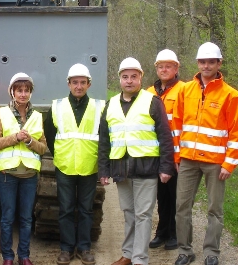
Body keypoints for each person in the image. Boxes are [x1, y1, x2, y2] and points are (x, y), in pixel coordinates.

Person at [98, 57, 175, 265]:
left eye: (133, 76)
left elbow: (165, 137)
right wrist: (103, 170)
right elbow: (104, 141)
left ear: (140, 78)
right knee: (129, 213)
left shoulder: (152, 102)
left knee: (143, 215)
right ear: (119, 80)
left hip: (146, 169)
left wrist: (167, 167)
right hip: (121, 170)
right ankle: (128, 254)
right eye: (125, 77)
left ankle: (140, 259)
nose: (129, 81)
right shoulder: (110, 105)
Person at [172, 42, 238, 265]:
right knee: (182, 206)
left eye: (211, 61)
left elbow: (235, 132)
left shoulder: (230, 95)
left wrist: (229, 164)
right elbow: (177, 126)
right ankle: (185, 250)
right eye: (202, 61)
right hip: (188, 160)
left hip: (215, 163)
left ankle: (211, 253)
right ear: (197, 63)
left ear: (219, 63)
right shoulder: (185, 90)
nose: (206, 65)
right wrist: (176, 156)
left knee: (214, 209)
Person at [44, 63, 104, 265]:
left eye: (82, 82)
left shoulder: (98, 107)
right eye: (75, 82)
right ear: (68, 84)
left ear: (89, 84)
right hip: (65, 165)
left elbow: (104, 136)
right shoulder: (57, 106)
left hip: (89, 165)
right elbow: (50, 135)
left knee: (86, 210)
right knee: (66, 209)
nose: (79, 86)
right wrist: (60, 155)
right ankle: (67, 249)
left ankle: (84, 248)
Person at [0, 73, 47, 265]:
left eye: (26, 90)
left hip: (29, 175)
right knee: (7, 218)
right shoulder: (2, 113)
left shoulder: (38, 117)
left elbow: (43, 147)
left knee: (26, 219)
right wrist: (15, 137)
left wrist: (30, 141)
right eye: (19, 90)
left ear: (31, 92)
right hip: (7, 175)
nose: (23, 94)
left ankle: (24, 256)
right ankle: (7, 256)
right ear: (12, 92)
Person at [147, 50, 185, 251]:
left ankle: (174, 233)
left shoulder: (184, 90)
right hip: (156, 153)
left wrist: (179, 156)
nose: (164, 69)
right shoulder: (148, 93)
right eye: (160, 66)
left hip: (177, 154)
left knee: (175, 195)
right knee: (161, 195)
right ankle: (161, 232)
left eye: (168, 66)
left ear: (176, 68)